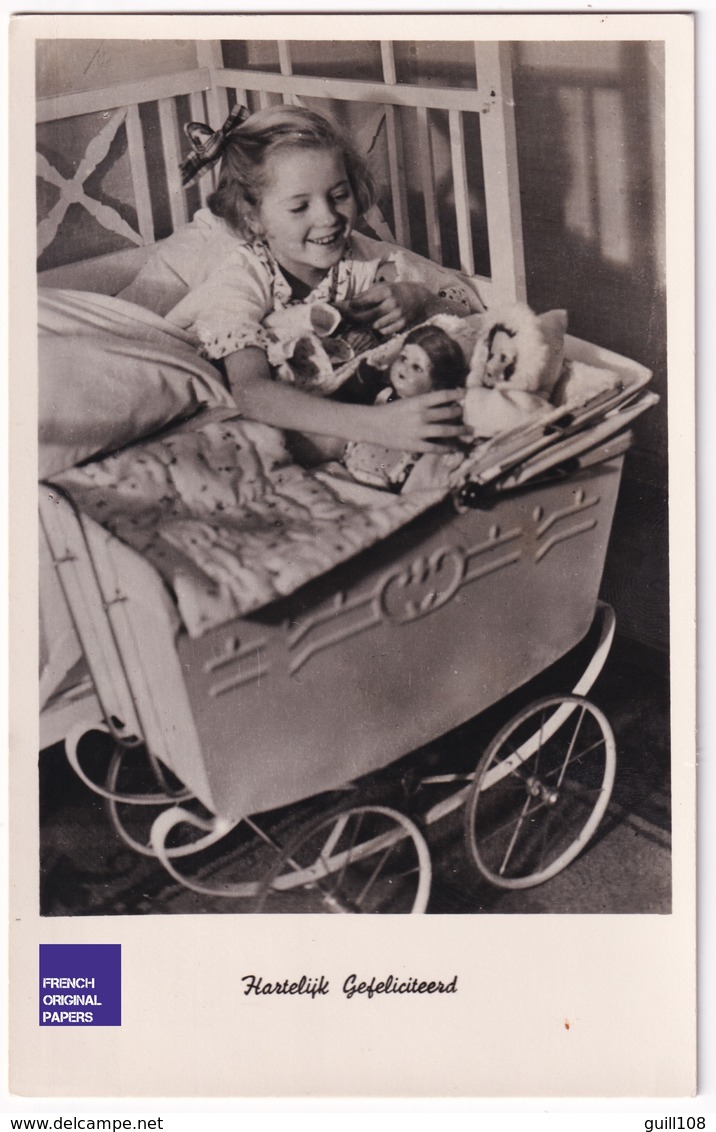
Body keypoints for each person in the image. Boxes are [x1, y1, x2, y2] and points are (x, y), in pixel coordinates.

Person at [118, 104, 482, 461]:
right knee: (250, 442)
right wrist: (376, 425)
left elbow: (462, 318)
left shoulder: (362, 257)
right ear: (254, 219)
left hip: (331, 398)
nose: (328, 218)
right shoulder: (241, 278)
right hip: (240, 399)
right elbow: (250, 392)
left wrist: (419, 298)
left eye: (339, 195)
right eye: (299, 207)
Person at [343, 323, 469, 491]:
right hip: (350, 465)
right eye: (403, 358)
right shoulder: (384, 393)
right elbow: (355, 399)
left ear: (436, 387)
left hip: (388, 482)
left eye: (417, 367)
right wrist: (368, 371)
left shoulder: (429, 415)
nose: (404, 367)